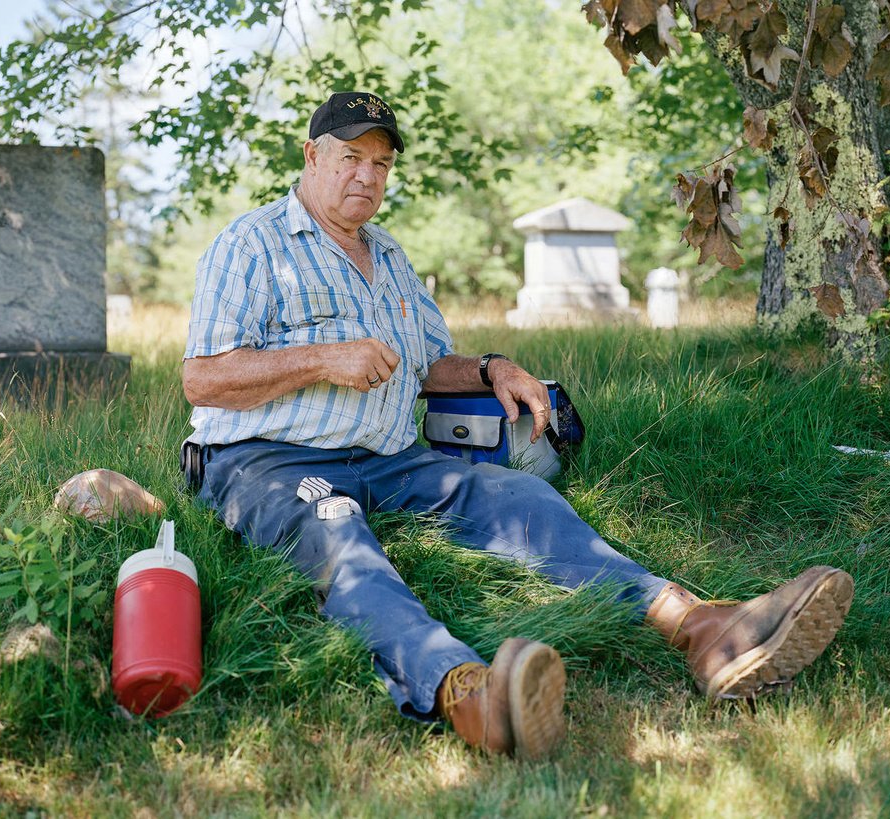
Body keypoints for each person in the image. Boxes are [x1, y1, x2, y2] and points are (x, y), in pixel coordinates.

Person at [181, 91, 854, 760]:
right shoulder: (252, 244)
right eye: (351, 157)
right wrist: (325, 359)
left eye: (382, 164)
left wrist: (491, 369)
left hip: (387, 457)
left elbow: (426, 365)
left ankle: (700, 625)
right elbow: (203, 377)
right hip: (268, 460)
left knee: (519, 496)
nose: (367, 176)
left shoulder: (388, 257)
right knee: (344, 543)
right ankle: (473, 696)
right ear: (311, 156)